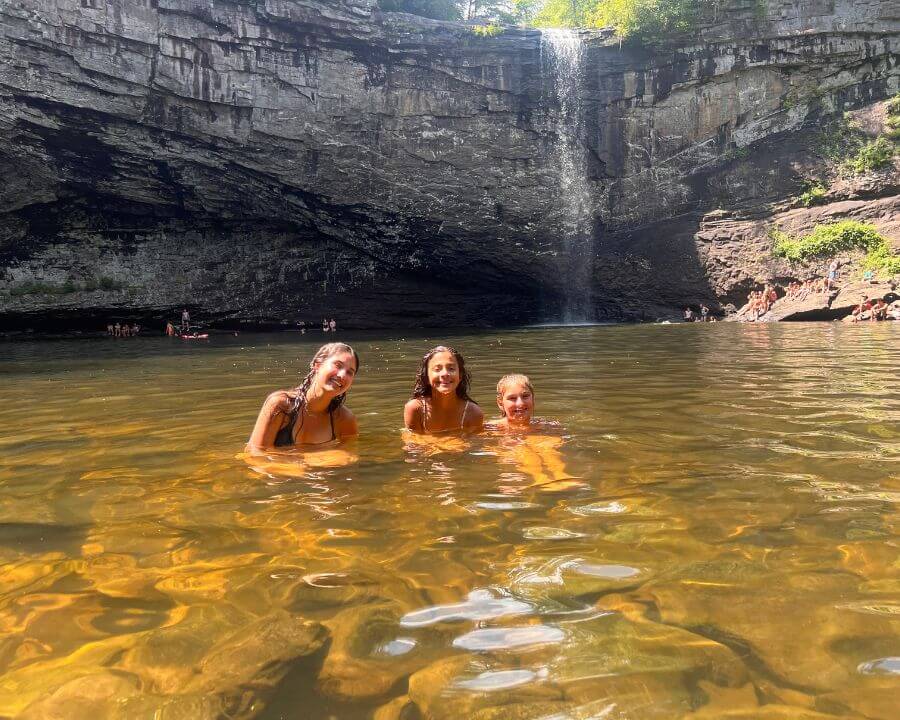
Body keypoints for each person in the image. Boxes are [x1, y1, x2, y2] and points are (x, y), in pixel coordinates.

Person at [248, 343, 359, 449]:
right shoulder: (281, 405)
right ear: (318, 365)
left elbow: (348, 458)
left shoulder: (345, 419)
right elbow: (256, 454)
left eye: (350, 372)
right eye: (338, 365)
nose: (342, 375)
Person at [404, 346, 484, 434]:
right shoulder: (416, 409)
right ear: (426, 377)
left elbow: (473, 445)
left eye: (451, 369)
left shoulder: (473, 412)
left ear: (460, 375)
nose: (445, 374)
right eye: (437, 369)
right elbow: (414, 445)